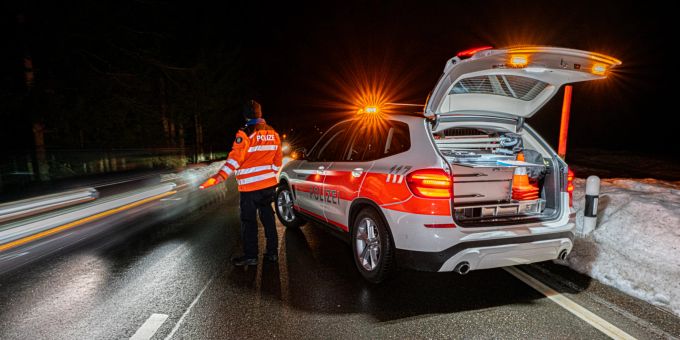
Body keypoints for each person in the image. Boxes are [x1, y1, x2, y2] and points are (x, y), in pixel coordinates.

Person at [200, 100, 282, 266]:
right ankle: (272, 253)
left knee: (249, 222)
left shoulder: (244, 133)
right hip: (268, 185)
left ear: (245, 116)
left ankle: (251, 257)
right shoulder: (273, 132)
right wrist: (268, 174)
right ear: (260, 114)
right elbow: (277, 162)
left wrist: (220, 176)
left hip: (249, 189)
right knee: (268, 219)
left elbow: (234, 161)